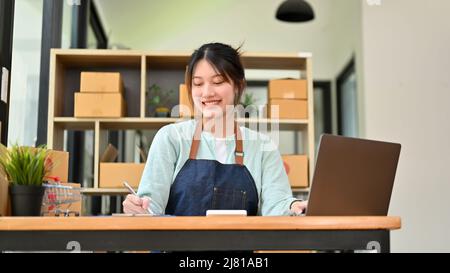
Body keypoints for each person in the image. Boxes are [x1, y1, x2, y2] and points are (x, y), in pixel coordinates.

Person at [123, 42, 307, 216]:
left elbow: (277, 205)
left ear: (238, 85)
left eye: (218, 82)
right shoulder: (170, 138)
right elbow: (151, 205)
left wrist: (293, 206)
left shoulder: (262, 146)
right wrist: (139, 207)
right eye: (198, 83)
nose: (207, 92)